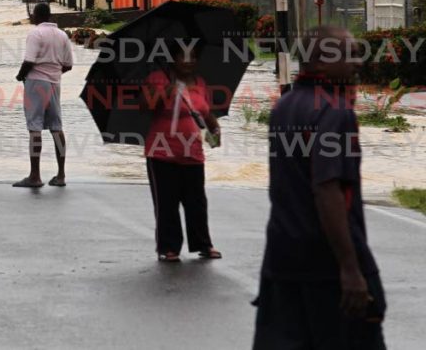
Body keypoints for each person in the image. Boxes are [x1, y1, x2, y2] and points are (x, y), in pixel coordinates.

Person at [253, 26, 386, 349]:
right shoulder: (335, 112)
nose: (358, 63)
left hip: (282, 260)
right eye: (351, 54)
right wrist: (350, 268)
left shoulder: (283, 107)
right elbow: (327, 191)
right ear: (323, 62)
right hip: (327, 266)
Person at [141, 40, 221, 262]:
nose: (189, 61)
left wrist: (215, 127)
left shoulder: (200, 82)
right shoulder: (157, 79)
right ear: (172, 59)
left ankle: (203, 244)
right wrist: (167, 90)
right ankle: (169, 247)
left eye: (193, 56)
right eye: (184, 56)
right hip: (162, 153)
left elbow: (204, 111)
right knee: (167, 203)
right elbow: (144, 107)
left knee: (197, 201)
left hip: (193, 153)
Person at [13, 2, 74, 188]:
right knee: (57, 127)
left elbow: (29, 60)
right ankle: (61, 175)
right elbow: (68, 65)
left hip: (36, 82)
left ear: (35, 16)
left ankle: (35, 176)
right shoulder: (62, 35)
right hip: (55, 82)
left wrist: (20, 76)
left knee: (35, 128)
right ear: (50, 16)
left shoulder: (35, 33)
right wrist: (53, 74)